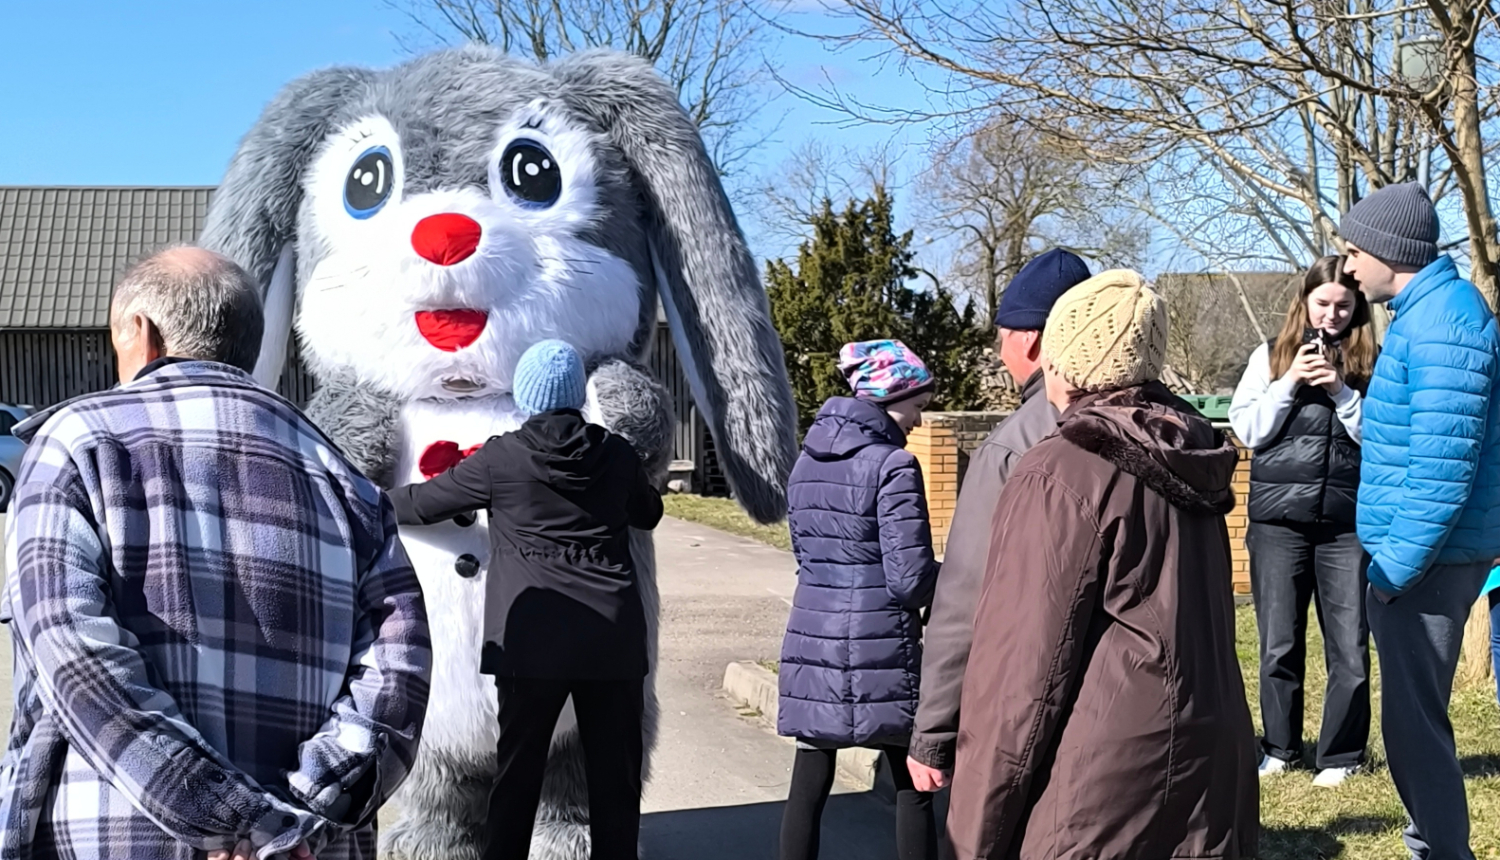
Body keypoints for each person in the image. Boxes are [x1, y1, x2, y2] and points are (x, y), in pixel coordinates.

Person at [0, 247, 431, 860]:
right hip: (309, 848)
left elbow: (73, 653)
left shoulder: (77, 444)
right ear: (247, 348)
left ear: (139, 333)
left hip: (119, 835)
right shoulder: (345, 479)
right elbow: (400, 669)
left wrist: (229, 819)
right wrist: (293, 820)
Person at [947, 270, 1258, 860]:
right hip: (1211, 775)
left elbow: (1017, 686)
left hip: (1100, 794)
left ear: (1064, 360)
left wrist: (972, 840)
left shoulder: (1059, 472)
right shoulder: (1192, 456)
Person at [386, 339, 663, 860]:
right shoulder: (616, 454)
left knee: (517, 773)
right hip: (612, 641)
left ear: (528, 395)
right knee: (613, 781)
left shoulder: (502, 458)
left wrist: (363, 496)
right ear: (578, 395)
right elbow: (648, 512)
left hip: (530, 642)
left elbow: (422, 503)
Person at [1340, 182, 1500, 860]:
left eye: (1352, 252)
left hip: (1426, 566)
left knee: (1416, 731)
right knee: (1411, 727)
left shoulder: (1444, 324)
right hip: (1422, 562)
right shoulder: (1425, 314)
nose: (1347, 268)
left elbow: (1444, 470)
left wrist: (1393, 573)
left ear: (1389, 251)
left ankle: (1440, 854)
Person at [907, 249, 1090, 793]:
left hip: (1036, 705)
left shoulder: (1015, 445)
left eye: (1001, 335)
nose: (999, 351)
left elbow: (965, 594)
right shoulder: (1166, 430)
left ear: (1029, 340)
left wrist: (933, 732)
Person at [776, 339, 942, 860]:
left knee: (807, 785)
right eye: (917, 406)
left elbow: (806, 557)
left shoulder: (804, 464)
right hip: (882, 648)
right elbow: (909, 578)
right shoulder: (894, 465)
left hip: (814, 641)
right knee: (912, 786)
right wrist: (953, 579)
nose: (918, 420)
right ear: (890, 399)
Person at [1228, 255, 1376, 788]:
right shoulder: (1267, 357)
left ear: (1357, 307)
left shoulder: (1373, 361)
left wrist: (1340, 392)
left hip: (1348, 526)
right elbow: (1249, 430)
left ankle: (1341, 756)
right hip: (1278, 524)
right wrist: (1290, 379)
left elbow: (1381, 441)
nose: (1332, 314)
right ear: (1304, 302)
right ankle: (1280, 748)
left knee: (1349, 644)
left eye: (1343, 305)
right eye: (1323, 303)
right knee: (1278, 643)